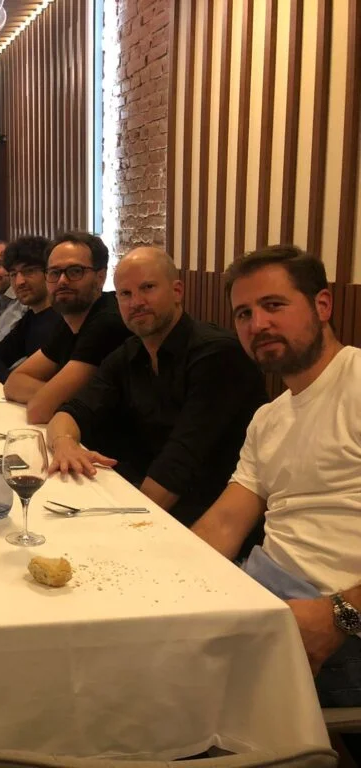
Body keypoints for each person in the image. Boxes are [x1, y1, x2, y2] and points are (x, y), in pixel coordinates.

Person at [191, 245, 361, 711]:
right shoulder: (269, 418)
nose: (258, 324)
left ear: (322, 305)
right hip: (264, 594)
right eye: (244, 313)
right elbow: (225, 523)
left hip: (340, 623)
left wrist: (339, 615)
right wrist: (164, 576)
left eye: (273, 305)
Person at [45, 247, 268, 530]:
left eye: (147, 288)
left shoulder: (217, 355)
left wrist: (122, 527)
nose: (136, 302)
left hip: (209, 521)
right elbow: (73, 410)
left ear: (177, 291)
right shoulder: (130, 352)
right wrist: (64, 443)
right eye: (125, 294)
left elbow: (179, 465)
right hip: (150, 501)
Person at [4, 231, 131, 423]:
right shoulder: (70, 320)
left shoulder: (108, 322)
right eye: (54, 273)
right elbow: (13, 383)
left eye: (75, 271)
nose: (62, 280)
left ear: (100, 277)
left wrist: (51, 397)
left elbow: (39, 410)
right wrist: (54, 395)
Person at [0, 236, 62, 382]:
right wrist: (12, 379)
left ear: (49, 273)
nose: (19, 282)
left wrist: (13, 380)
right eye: (13, 274)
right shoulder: (31, 318)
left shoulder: (62, 321)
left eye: (29, 271)